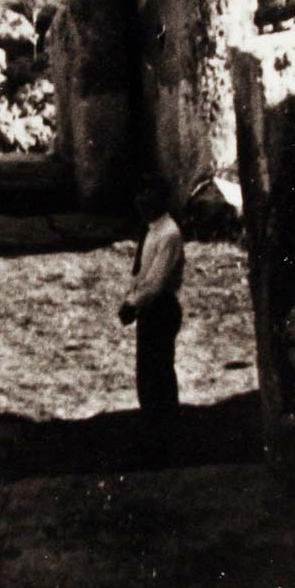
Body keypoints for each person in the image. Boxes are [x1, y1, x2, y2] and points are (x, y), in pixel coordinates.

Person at [118, 181, 185, 435]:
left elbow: (156, 282)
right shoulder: (152, 231)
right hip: (150, 308)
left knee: (158, 369)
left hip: (162, 308)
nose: (141, 203)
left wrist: (132, 303)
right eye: (139, 195)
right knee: (147, 369)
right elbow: (142, 274)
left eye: (148, 196)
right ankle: (153, 421)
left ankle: (164, 425)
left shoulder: (169, 235)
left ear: (162, 199)